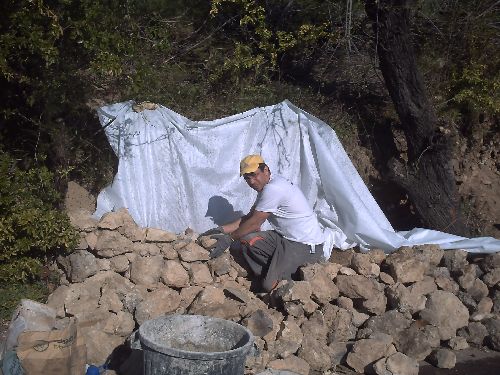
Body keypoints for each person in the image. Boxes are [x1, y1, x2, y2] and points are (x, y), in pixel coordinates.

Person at [201, 154, 327, 292]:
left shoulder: (274, 189)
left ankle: (291, 275)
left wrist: (229, 238)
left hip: (305, 245)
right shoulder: (268, 186)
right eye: (247, 178)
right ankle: (274, 272)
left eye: (254, 175)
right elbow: (250, 217)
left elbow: (254, 224)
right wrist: (222, 230)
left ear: (266, 170)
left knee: (270, 286)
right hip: (285, 238)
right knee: (246, 242)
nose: (252, 181)